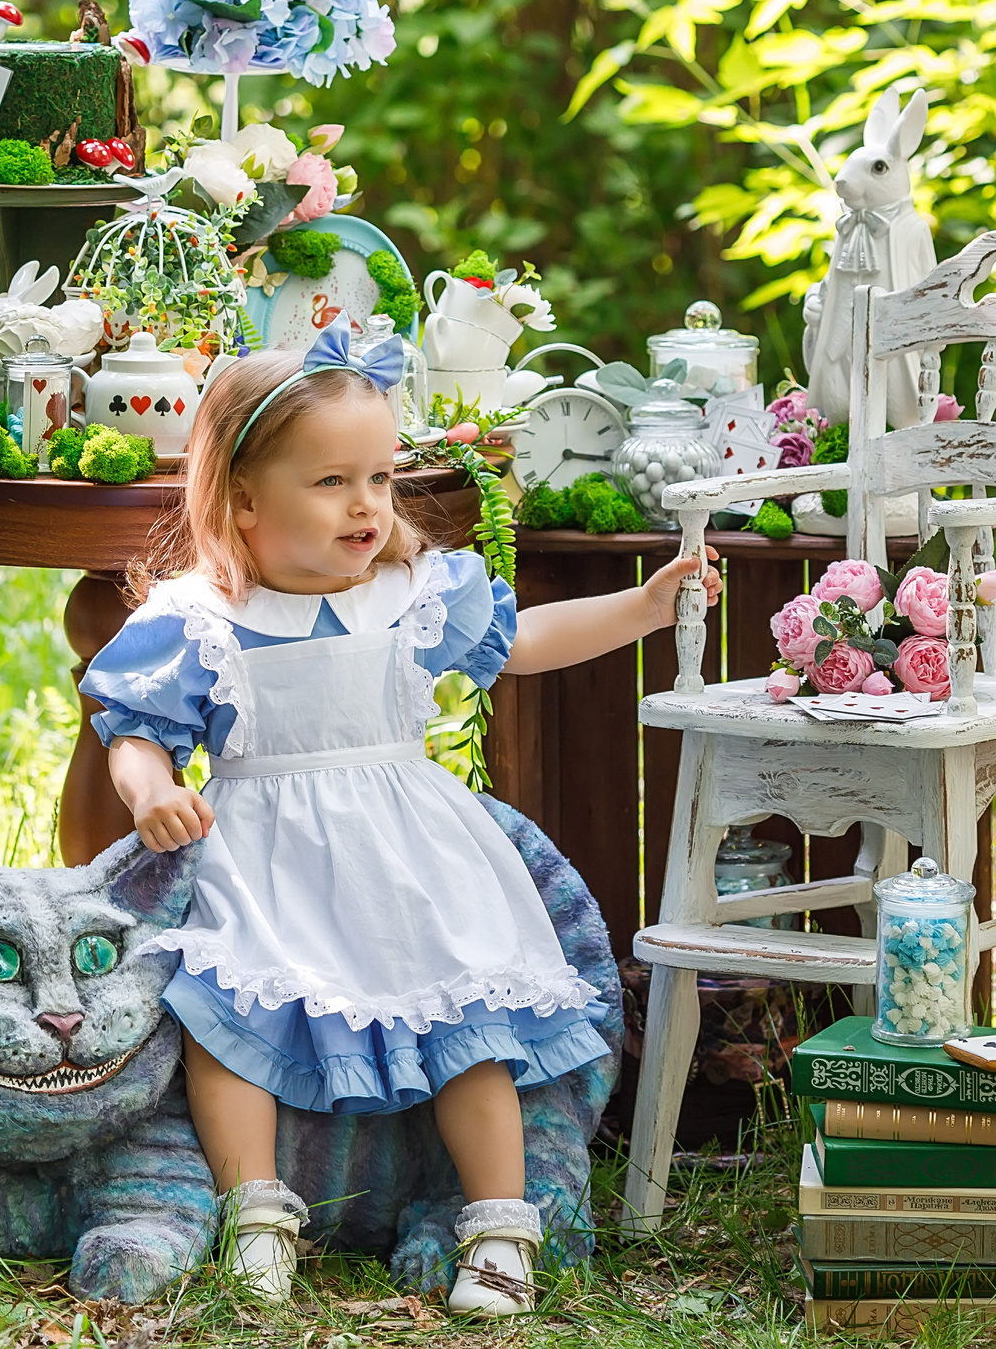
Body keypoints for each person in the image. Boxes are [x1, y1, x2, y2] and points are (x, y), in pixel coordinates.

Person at [80, 324, 723, 1314]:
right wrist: (151, 788)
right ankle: (255, 1213)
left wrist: (639, 608)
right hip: (262, 857)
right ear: (242, 500)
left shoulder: (413, 596)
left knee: (467, 1027)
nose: (368, 506)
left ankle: (500, 1224)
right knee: (228, 1023)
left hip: (411, 853)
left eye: (380, 479)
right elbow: (133, 728)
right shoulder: (197, 617)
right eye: (332, 481)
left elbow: (525, 644)